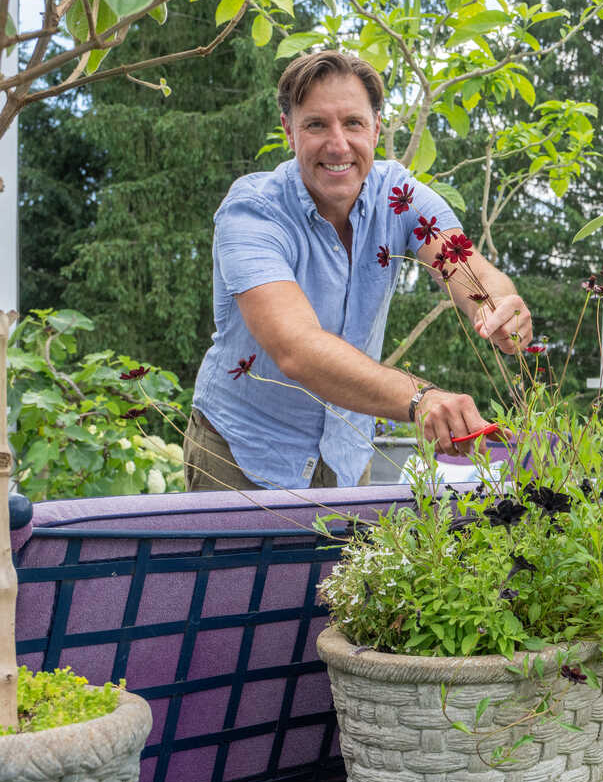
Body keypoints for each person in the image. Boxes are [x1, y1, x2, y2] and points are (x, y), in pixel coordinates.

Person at [184, 50, 530, 491]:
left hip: (346, 455)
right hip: (242, 454)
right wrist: (421, 399)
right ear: (289, 131)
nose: (338, 144)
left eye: (352, 123)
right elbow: (296, 348)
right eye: (315, 125)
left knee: (343, 565)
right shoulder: (254, 212)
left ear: (376, 127)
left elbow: (463, 264)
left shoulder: (399, 195)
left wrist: (498, 304)